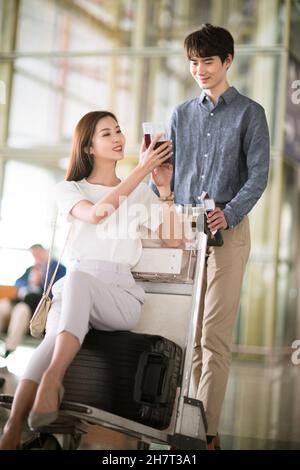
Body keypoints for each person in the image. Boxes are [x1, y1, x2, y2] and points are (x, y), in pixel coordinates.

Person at [0, 110, 181, 450]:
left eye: (118, 131)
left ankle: (53, 380)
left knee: (77, 282)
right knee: (52, 334)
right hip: (75, 291)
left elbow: (173, 239)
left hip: (119, 296)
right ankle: (12, 429)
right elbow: (96, 213)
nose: (118, 138)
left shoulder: (141, 193)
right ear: (88, 148)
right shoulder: (68, 189)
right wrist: (140, 171)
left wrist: (163, 188)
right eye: (106, 134)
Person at [151, 24, 270, 449]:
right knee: (186, 336)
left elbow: (259, 175)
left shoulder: (250, 113)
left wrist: (230, 212)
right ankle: (181, 422)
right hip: (184, 234)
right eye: (193, 62)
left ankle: (205, 432)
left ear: (227, 62)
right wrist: (160, 181)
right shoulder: (181, 114)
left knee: (212, 337)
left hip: (229, 233)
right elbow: (168, 180)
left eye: (207, 61)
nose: (199, 69)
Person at [0, 244, 66, 357]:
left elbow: (55, 290)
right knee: (3, 306)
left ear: (45, 252)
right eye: (34, 255)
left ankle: (8, 349)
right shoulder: (31, 269)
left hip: (34, 303)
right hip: (20, 298)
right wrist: (25, 287)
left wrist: (40, 280)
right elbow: (18, 283)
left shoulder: (57, 268)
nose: (37, 258)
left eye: (38, 254)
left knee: (21, 311)